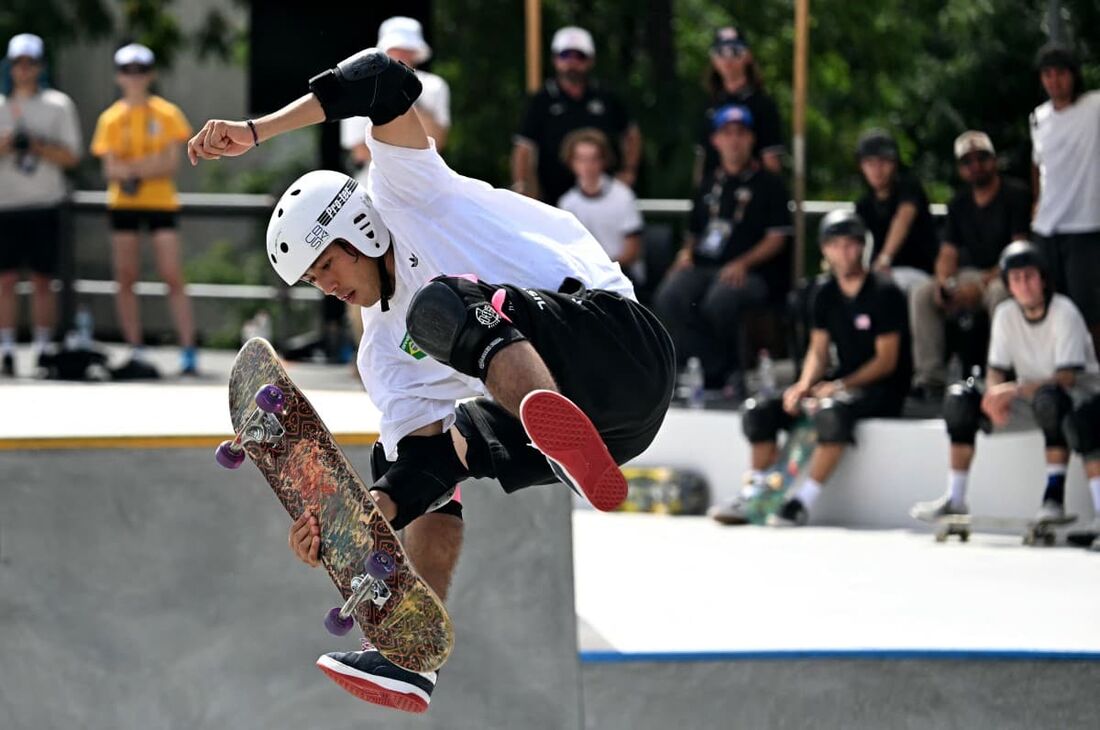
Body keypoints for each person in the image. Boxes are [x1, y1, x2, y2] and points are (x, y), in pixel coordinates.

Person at [186, 47, 675, 712]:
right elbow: (422, 469)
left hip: (620, 349)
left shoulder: (407, 189)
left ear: (356, 225)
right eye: (313, 283)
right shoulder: (381, 355)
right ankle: (409, 655)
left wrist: (256, 131)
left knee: (442, 306)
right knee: (408, 454)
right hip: (614, 438)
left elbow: (383, 77)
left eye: (327, 266)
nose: (329, 288)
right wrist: (357, 524)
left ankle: (547, 414)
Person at [712, 210, 911, 526]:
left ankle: (800, 503)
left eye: (850, 245)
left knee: (830, 414)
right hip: (838, 384)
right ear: (824, 249)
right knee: (760, 411)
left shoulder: (885, 292)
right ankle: (757, 492)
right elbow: (818, 351)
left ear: (862, 247)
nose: (843, 252)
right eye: (836, 245)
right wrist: (803, 385)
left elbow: (886, 361)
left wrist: (841, 386)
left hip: (882, 388)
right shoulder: (824, 293)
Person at [911, 242, 1100, 547]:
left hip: (1077, 398)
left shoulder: (1064, 312)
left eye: (1029, 277)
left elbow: (1066, 378)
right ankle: (955, 498)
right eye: (1015, 278)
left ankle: (1053, 499)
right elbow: (997, 368)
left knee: (1051, 400)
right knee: (960, 400)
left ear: (1044, 279)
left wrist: (1010, 390)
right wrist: (993, 395)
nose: (1023, 285)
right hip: (1031, 396)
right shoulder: (1005, 313)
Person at [654, 104, 790, 395]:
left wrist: (743, 263)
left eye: (740, 133)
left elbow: (777, 239)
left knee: (721, 300)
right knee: (670, 294)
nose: (734, 140)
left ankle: (731, 372)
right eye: (727, 133)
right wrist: (685, 255)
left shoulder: (770, 184)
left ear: (751, 139)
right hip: (704, 265)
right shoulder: (707, 183)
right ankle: (700, 368)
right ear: (716, 140)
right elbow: (694, 233)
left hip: (754, 271)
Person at [90, 43, 196, 377]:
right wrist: (144, 166)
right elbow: (110, 169)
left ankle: (188, 349)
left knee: (172, 275)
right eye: (127, 71)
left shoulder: (166, 112)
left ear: (150, 75)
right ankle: (134, 347)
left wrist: (131, 168)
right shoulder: (110, 118)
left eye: (140, 70)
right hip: (123, 203)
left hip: (160, 202)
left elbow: (168, 164)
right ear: (118, 76)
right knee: (125, 276)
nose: (134, 78)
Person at [909, 131, 1031, 397]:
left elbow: (1018, 252)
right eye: (967, 161)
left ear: (994, 160)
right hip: (969, 276)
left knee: (1000, 294)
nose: (975, 166)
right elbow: (947, 253)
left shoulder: (1016, 195)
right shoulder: (959, 203)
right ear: (960, 169)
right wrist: (945, 284)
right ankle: (930, 377)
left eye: (982, 158)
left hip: (1006, 273)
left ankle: (998, 373)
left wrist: (980, 285)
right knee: (922, 294)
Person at [0, 33, 81, 377]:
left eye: (30, 62)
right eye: (18, 62)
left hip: (44, 204)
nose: (24, 69)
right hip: (5, 206)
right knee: (3, 281)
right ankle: (6, 347)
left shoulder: (58, 105)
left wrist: (35, 144)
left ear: (40, 66)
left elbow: (71, 156)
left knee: (43, 281)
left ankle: (43, 347)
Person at [512, 26, 641, 204]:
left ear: (590, 60)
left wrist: (629, 171)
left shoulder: (606, 97)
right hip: (553, 200)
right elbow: (524, 147)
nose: (572, 63)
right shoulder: (541, 101)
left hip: (602, 200)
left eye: (579, 56)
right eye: (565, 55)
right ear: (555, 59)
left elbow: (631, 134)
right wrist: (522, 185)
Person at [1029, 44, 1100, 360]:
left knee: (1087, 308)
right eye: (1048, 75)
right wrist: (1038, 202)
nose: (1054, 81)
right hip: (1047, 226)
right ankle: (1060, 370)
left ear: (1073, 75)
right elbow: (1038, 165)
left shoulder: (1094, 107)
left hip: (1085, 223)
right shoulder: (1039, 118)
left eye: (1060, 73)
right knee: (1050, 304)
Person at [341, 16, 451, 182]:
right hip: (375, 179)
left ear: (416, 52)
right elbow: (359, 151)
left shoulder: (435, 86)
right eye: (395, 49)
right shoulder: (362, 88)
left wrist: (407, 94)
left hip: (423, 178)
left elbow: (438, 141)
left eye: (407, 49)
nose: (401, 55)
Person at [696, 25, 784, 184]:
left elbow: (771, 162)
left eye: (735, 52)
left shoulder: (762, 105)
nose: (728, 60)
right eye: (721, 52)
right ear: (713, 59)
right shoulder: (709, 106)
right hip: (717, 196)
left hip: (752, 196)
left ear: (747, 56)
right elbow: (702, 159)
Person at [556, 127, 644, 283]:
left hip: (621, 273)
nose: (587, 166)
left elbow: (632, 250)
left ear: (603, 161)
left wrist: (605, 269)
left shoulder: (623, 195)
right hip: (585, 276)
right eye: (581, 159)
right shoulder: (567, 203)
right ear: (571, 162)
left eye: (593, 159)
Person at [854, 129, 936, 293]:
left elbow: (902, 220)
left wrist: (884, 259)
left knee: (881, 288)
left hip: (920, 272)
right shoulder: (864, 204)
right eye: (870, 163)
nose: (877, 169)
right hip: (881, 272)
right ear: (861, 167)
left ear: (895, 163)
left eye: (883, 162)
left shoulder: (909, 188)